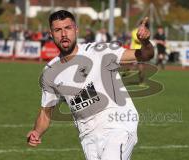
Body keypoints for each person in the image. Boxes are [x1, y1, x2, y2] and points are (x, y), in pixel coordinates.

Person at [27, 10, 154, 160]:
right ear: (51, 33)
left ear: (76, 30)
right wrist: (36, 131)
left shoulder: (99, 51)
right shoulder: (50, 72)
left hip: (118, 126)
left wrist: (145, 42)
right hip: (88, 137)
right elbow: (46, 112)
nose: (63, 34)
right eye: (58, 30)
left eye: (68, 28)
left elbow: (145, 55)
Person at [130, 20, 150, 84]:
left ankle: (141, 81)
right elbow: (137, 40)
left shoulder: (146, 32)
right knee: (133, 67)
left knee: (141, 67)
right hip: (134, 51)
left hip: (142, 51)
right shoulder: (134, 31)